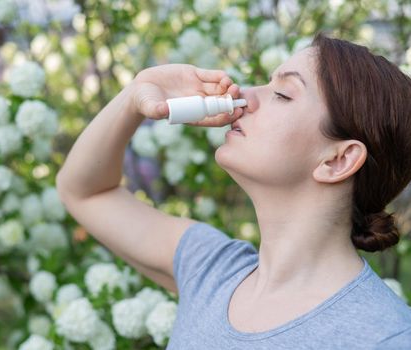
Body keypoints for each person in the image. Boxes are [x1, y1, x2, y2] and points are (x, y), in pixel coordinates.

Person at [55, 32, 411, 349]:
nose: (243, 95)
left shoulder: (385, 336)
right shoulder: (212, 270)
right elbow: (85, 192)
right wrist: (136, 94)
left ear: (338, 160)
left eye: (283, 94)